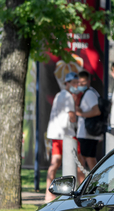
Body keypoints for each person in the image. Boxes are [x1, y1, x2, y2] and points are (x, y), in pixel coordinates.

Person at [45, 72, 86, 202]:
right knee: (80, 163)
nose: (76, 85)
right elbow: (72, 117)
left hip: (56, 134)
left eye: (77, 83)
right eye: (73, 83)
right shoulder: (68, 96)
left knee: (54, 163)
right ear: (67, 84)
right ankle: (86, 191)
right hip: (67, 135)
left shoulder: (59, 94)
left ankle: (48, 194)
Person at [75, 70, 102, 170]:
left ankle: (85, 184)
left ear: (88, 81)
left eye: (83, 82)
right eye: (79, 82)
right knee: (90, 160)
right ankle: (96, 183)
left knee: (82, 161)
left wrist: (81, 114)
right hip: (88, 134)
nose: (81, 84)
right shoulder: (89, 93)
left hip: (87, 134)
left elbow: (97, 111)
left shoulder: (89, 93)